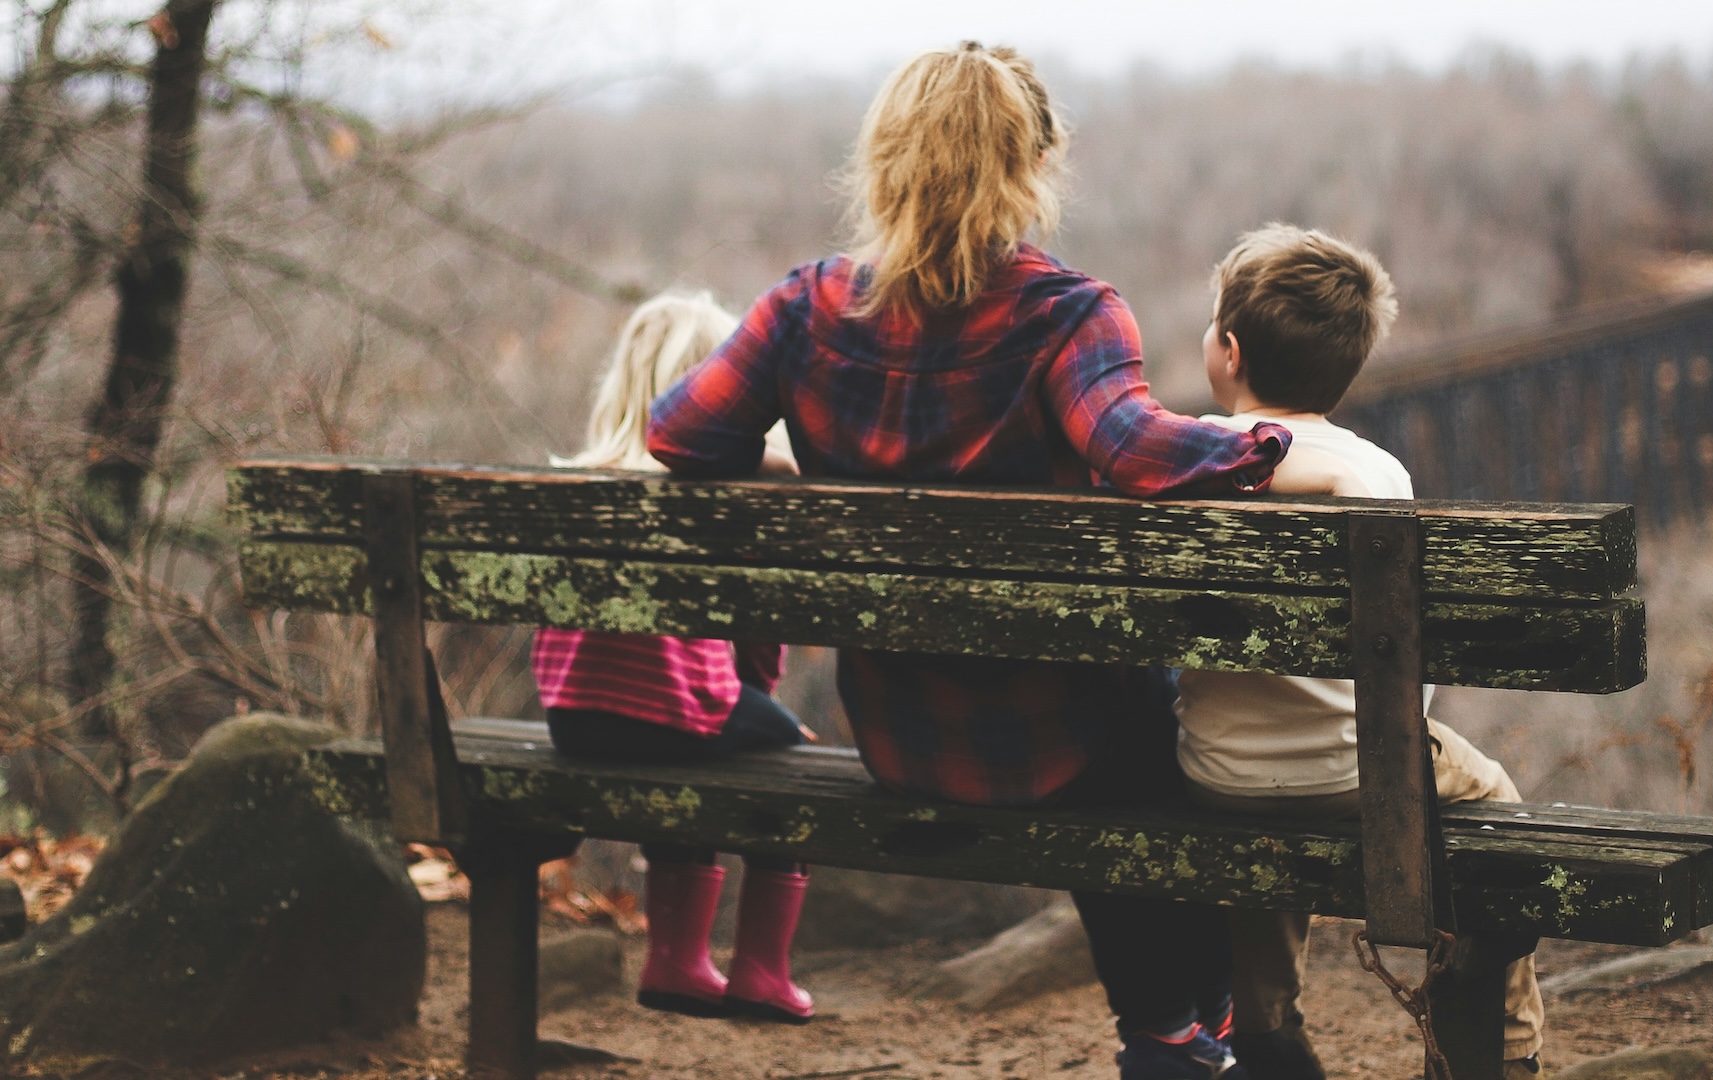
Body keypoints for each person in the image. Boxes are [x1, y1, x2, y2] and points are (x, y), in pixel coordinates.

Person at [646, 42, 1364, 1080]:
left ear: (884, 159)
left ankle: (1180, 1031)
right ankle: (1181, 1028)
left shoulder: (804, 309)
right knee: (1156, 723)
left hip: (902, 738)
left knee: (1128, 718)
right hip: (1066, 745)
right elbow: (1134, 447)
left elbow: (679, 434)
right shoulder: (1066, 315)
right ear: (1034, 164)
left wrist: (791, 472)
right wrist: (1277, 448)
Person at [1174, 223, 1547, 1080]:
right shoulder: (1375, 475)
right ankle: (1511, 1040)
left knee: (1264, 797)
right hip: (1359, 774)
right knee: (1496, 796)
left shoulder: (1183, 459)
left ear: (1226, 353)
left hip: (1215, 772)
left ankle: (1262, 1020)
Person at [534, 291, 815, 1024]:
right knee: (789, 757)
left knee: (693, 734)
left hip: (573, 719)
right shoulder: (715, 492)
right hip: (670, 713)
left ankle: (676, 960)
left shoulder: (576, 483)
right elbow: (754, 639)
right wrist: (763, 701)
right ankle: (758, 972)